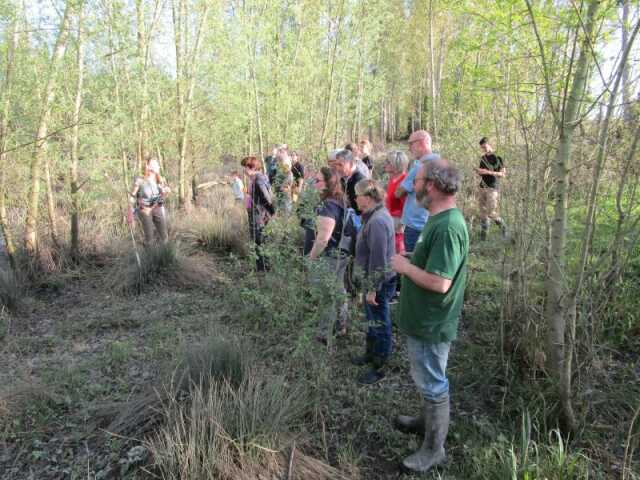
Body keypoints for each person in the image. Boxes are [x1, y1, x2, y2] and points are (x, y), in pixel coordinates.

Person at [390, 159, 469, 473]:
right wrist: (413, 257)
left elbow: (441, 282)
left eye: (418, 179)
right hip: (422, 319)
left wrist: (405, 267)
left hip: (432, 321)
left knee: (434, 383)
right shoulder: (436, 219)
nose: (413, 185)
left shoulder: (449, 226)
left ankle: (434, 450)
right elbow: (433, 264)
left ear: (432, 186)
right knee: (426, 378)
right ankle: (425, 422)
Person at [352, 179, 396, 384]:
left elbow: (379, 260)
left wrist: (372, 289)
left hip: (377, 282)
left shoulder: (377, 220)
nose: (355, 198)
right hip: (372, 281)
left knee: (380, 323)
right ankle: (370, 354)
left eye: (357, 195)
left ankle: (380, 366)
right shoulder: (372, 216)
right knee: (372, 320)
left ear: (368, 198)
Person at [303, 167, 350, 344]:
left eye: (317, 180)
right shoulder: (340, 200)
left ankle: (324, 334)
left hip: (330, 256)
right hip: (341, 253)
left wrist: (311, 257)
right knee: (338, 289)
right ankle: (341, 324)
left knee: (326, 295)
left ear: (328, 183)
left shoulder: (328, 206)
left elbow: (323, 238)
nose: (313, 183)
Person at [395, 130, 440, 253]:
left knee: (414, 264)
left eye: (411, 144)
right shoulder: (440, 163)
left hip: (415, 225)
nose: (409, 148)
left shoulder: (420, 167)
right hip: (433, 223)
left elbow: (398, 192)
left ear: (422, 143)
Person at [244, 156, 275, 272]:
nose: (244, 171)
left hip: (259, 215)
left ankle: (262, 268)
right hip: (256, 214)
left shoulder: (258, 179)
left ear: (250, 167)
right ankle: (262, 266)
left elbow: (267, 198)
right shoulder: (256, 179)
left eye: (245, 167)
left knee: (259, 240)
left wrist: (271, 212)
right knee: (259, 240)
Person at [129, 157, 170, 246]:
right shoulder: (140, 180)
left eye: (157, 164)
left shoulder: (161, 180)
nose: (157, 166)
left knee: (164, 237)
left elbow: (163, 196)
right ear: (148, 166)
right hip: (144, 209)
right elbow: (132, 197)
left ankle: (165, 257)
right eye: (154, 164)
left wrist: (165, 192)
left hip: (157, 208)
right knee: (149, 238)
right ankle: (149, 257)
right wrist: (130, 214)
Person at [477, 137, 507, 239]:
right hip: (482, 187)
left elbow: (502, 174)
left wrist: (489, 172)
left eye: (484, 147)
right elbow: (481, 171)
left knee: (491, 212)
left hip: (492, 188)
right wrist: (479, 171)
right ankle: (483, 237)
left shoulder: (498, 157)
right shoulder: (483, 158)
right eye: (482, 148)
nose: (484, 149)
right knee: (482, 213)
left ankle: (503, 228)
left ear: (489, 144)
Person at [383, 151, 410, 255]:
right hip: (390, 220)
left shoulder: (404, 181)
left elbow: (407, 205)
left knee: (398, 255)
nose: (385, 164)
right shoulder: (392, 179)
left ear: (396, 165)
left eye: (388, 162)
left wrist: (402, 224)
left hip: (399, 225)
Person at [334, 149, 366, 216]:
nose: (337, 168)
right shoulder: (343, 178)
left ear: (351, 164)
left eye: (340, 165)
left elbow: (363, 208)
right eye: (336, 164)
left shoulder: (360, 181)